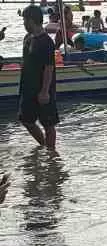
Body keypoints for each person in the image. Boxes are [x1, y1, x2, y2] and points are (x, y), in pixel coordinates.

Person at [19, 5, 59, 150]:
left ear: (32, 20)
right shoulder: (28, 38)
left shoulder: (46, 41)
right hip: (28, 87)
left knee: (48, 124)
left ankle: (51, 154)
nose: (23, 23)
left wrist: (44, 91)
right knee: (26, 120)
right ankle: (43, 146)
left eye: (25, 20)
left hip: (43, 87)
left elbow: (49, 67)